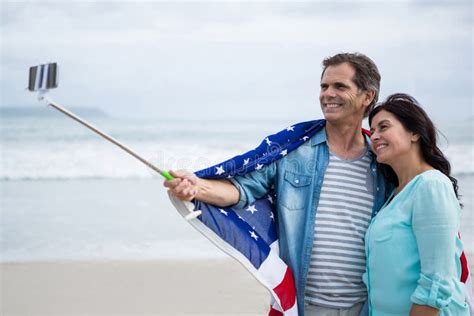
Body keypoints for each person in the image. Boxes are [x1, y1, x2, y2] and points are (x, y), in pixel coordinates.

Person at [165, 52, 389, 315]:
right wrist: (196, 187)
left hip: (368, 308)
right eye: (324, 86)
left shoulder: (385, 161)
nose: (327, 94)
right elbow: (242, 190)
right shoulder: (294, 150)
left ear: (367, 96)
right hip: (303, 307)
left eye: (340, 86)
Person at [365, 93, 470, 315]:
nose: (374, 136)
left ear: (414, 132)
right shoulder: (395, 195)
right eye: (372, 130)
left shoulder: (431, 185)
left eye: (384, 127)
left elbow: (436, 283)